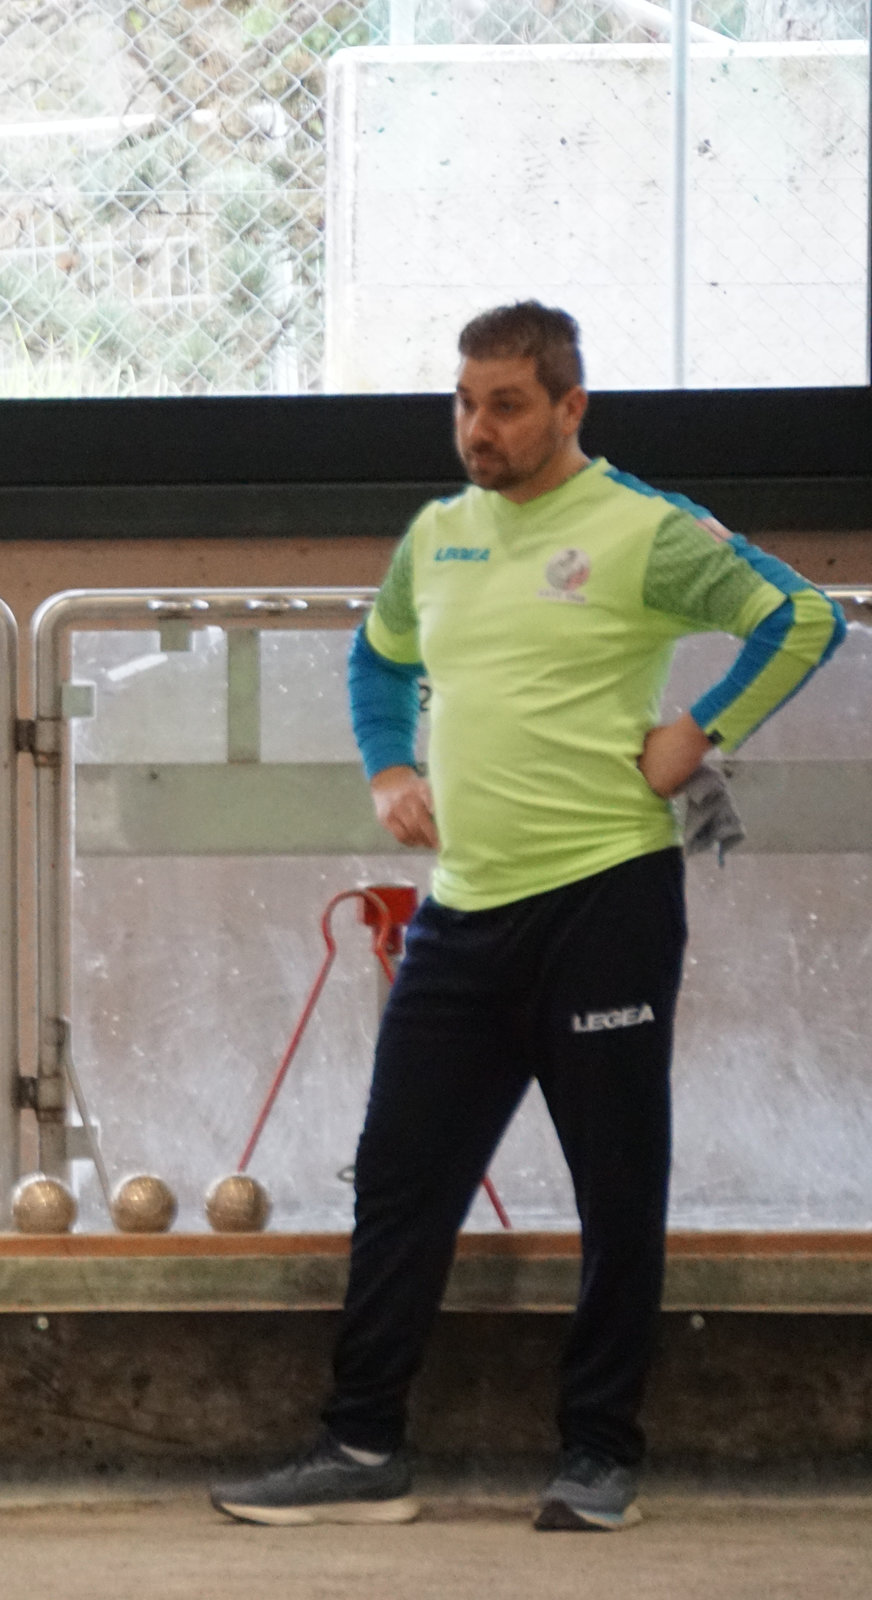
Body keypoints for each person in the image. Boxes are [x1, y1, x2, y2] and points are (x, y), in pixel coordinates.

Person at [209, 302, 845, 1532]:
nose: (478, 428)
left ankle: (599, 1454)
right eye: (465, 402)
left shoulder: (645, 529)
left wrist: (697, 730)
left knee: (617, 1186)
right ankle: (362, 1446)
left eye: (506, 405)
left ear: (569, 406)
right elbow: (378, 659)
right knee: (399, 1180)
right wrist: (390, 768)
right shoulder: (438, 535)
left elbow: (804, 617)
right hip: (466, 913)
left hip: (604, 901)